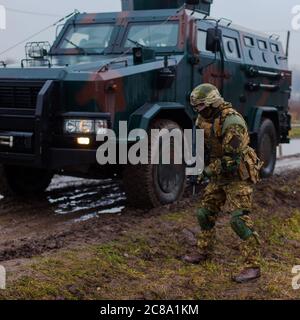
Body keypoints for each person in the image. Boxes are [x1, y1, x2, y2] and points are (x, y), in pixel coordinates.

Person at [184, 83, 263, 283]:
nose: (197, 110)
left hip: (238, 175)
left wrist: (208, 171)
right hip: (219, 174)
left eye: (200, 106)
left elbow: (232, 160)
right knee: (205, 213)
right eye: (196, 107)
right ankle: (204, 252)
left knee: (238, 220)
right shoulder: (203, 118)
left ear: (212, 103)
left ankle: (252, 266)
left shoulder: (232, 122)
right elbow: (201, 146)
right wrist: (196, 166)